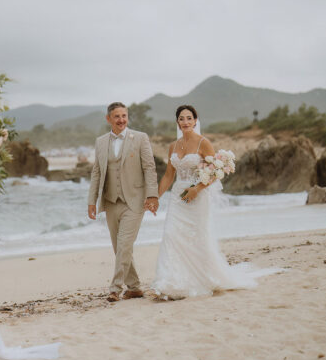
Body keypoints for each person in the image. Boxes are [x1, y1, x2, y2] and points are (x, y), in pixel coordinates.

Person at [150, 105, 279, 299]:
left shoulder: (204, 143)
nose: (185, 122)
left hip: (197, 197)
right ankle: (170, 282)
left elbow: (214, 173)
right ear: (177, 122)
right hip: (178, 197)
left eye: (189, 118)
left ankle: (201, 279)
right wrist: (155, 198)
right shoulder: (173, 147)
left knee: (197, 237)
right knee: (171, 234)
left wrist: (196, 189)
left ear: (195, 121)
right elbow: (168, 176)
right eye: (182, 118)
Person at [88, 102, 159, 302]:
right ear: (108, 119)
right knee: (119, 247)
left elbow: (149, 168)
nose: (121, 120)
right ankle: (135, 287)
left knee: (124, 244)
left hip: (135, 201)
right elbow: (96, 172)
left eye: (124, 116)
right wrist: (91, 201)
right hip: (111, 201)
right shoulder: (100, 142)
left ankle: (115, 288)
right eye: (117, 116)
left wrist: (152, 195)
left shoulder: (140, 138)